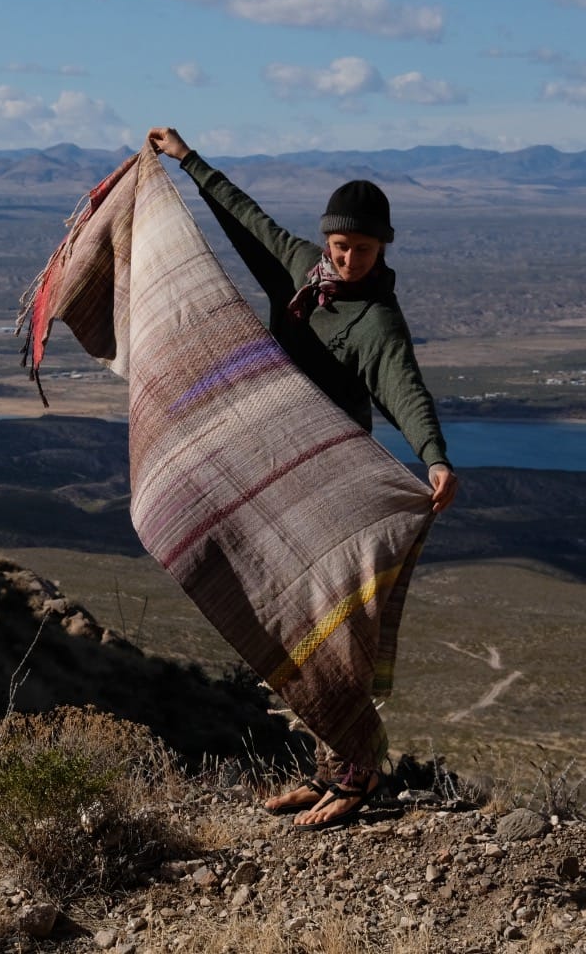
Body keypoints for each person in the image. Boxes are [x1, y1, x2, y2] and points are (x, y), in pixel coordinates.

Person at [147, 126, 458, 829]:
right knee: (292, 626)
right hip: (275, 462)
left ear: (384, 250)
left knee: (334, 619)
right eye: (341, 247)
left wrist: (433, 456)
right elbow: (243, 216)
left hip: (334, 477)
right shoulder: (296, 268)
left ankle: (360, 775)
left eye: (365, 250)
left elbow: (403, 388)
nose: (349, 259)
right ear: (328, 241)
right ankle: (326, 771)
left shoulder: (376, 320)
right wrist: (187, 159)